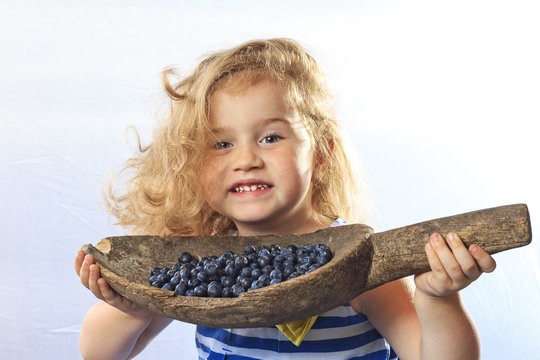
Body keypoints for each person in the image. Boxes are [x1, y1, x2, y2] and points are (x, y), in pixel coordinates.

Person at [74, 38, 496, 360]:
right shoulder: (200, 270)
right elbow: (103, 354)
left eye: (270, 137)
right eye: (220, 144)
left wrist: (439, 299)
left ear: (322, 154)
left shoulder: (359, 266)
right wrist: (130, 310)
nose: (245, 159)